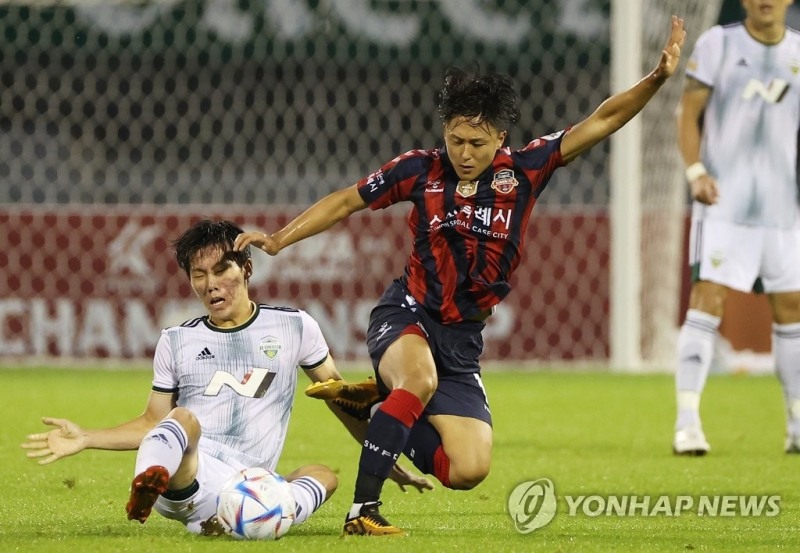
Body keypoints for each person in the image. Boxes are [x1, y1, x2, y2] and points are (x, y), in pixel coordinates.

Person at [236, 17, 686, 536]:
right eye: (455, 140)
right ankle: (363, 512)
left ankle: (385, 404)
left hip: (463, 338)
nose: (464, 153)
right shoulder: (419, 171)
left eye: (476, 142)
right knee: (419, 379)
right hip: (407, 314)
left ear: (501, 137)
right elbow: (345, 201)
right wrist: (278, 240)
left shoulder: (524, 171)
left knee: (468, 469)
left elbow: (603, 120)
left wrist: (654, 78)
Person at [21, 219, 430, 536]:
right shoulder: (177, 339)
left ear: (247, 268)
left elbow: (340, 398)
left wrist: (380, 453)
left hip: (249, 482)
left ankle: (222, 520)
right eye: (199, 275)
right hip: (191, 472)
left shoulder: (296, 327)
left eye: (221, 270)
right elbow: (151, 422)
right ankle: (152, 486)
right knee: (183, 421)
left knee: (325, 475)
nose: (211, 285)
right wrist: (87, 437)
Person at [672, 0, 800, 456]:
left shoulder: (799, 53)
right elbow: (688, 114)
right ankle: (687, 422)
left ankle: (797, 423)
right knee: (708, 300)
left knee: (792, 309)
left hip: (783, 211)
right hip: (722, 204)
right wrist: (696, 172)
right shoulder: (718, 44)